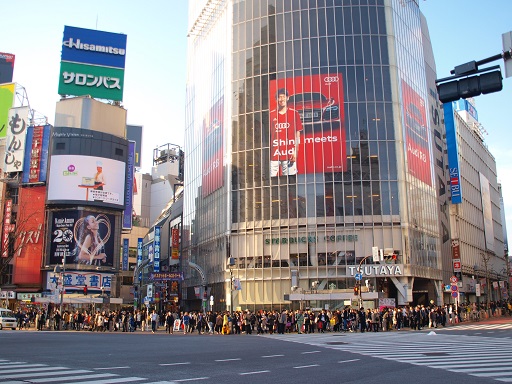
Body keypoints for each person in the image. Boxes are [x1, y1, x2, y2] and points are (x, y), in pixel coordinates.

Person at [270, 88, 303, 177]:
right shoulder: (271, 115)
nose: (281, 99)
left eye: (283, 97)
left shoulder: (294, 113)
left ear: (287, 98)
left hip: (289, 154)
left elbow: (297, 135)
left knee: (290, 181)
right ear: (276, 99)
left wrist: (295, 151)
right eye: (279, 97)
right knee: (269, 181)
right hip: (273, 155)